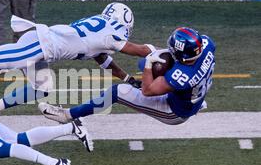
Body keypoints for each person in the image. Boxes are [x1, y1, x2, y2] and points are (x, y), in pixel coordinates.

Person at [0, 2, 156, 118]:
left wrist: (127, 78)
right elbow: (136, 49)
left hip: (44, 46)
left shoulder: (101, 28)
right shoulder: (110, 33)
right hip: (40, 45)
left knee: (41, 89)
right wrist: (159, 51)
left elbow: (103, 59)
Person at [38, 27, 216, 125]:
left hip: (175, 112)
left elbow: (147, 90)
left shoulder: (182, 75)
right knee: (156, 55)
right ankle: (194, 102)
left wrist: (148, 65)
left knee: (118, 92)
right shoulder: (206, 45)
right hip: (194, 92)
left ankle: (67, 115)